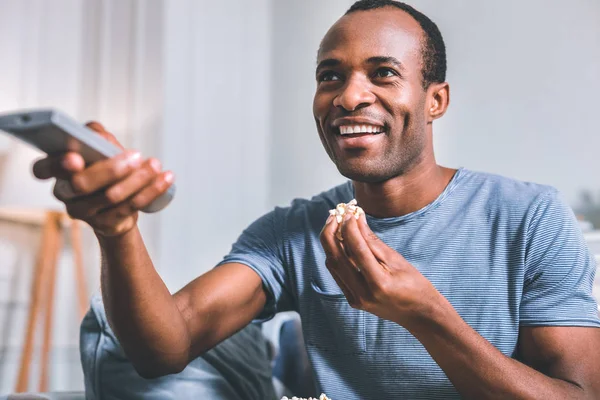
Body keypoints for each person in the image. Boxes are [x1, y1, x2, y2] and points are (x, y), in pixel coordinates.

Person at [32, 1, 600, 398]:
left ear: (435, 100)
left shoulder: (530, 217)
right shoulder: (293, 232)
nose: (350, 95)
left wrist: (425, 315)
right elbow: (165, 347)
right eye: (331, 76)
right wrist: (118, 229)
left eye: (383, 73)